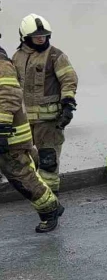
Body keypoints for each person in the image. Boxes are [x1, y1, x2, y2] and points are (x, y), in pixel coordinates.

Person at [0, 38, 64, 232]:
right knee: (28, 167)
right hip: (8, 133)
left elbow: (9, 96)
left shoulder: (2, 65)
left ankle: (50, 210)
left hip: (10, 135)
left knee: (22, 177)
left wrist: (2, 129)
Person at [12, 14, 78, 194]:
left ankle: (51, 201)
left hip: (49, 122)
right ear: (25, 37)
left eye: (44, 35)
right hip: (23, 122)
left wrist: (68, 103)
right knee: (22, 157)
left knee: (48, 161)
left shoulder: (55, 55)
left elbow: (69, 80)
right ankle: (37, 193)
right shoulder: (17, 57)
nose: (41, 38)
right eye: (36, 35)